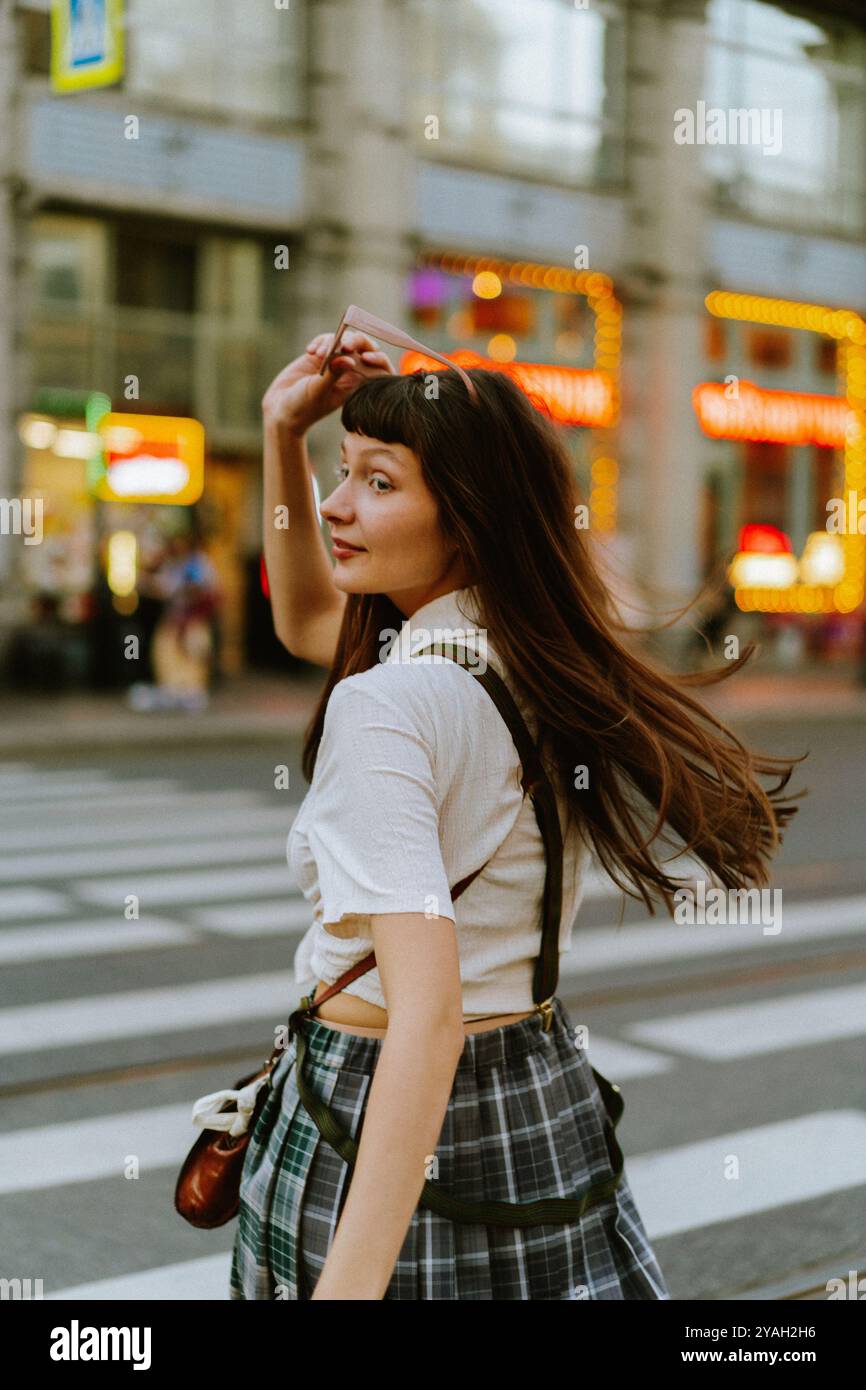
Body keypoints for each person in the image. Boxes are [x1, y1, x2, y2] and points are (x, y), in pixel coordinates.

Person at [230, 326, 804, 1301]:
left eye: (377, 481)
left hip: (373, 1106)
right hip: (537, 1091)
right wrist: (284, 434)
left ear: (467, 514)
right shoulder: (540, 652)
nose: (333, 503)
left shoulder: (387, 704)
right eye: (336, 472)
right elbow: (300, 620)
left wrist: (349, 1289)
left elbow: (427, 1014)